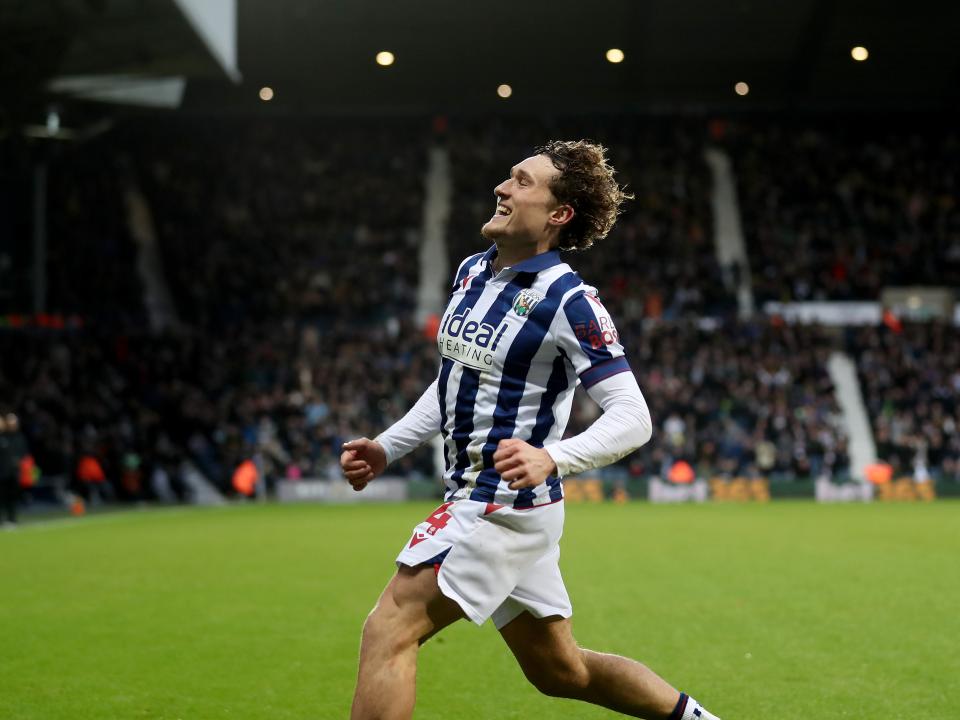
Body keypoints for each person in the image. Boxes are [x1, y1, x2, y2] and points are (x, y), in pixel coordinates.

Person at [340, 140, 722, 720]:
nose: (502, 187)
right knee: (562, 672)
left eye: (522, 182)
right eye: (508, 176)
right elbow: (452, 381)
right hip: (492, 500)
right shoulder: (473, 271)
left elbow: (633, 417)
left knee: (388, 629)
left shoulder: (570, 300)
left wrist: (554, 457)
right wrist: (388, 446)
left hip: (501, 505)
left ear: (557, 214)